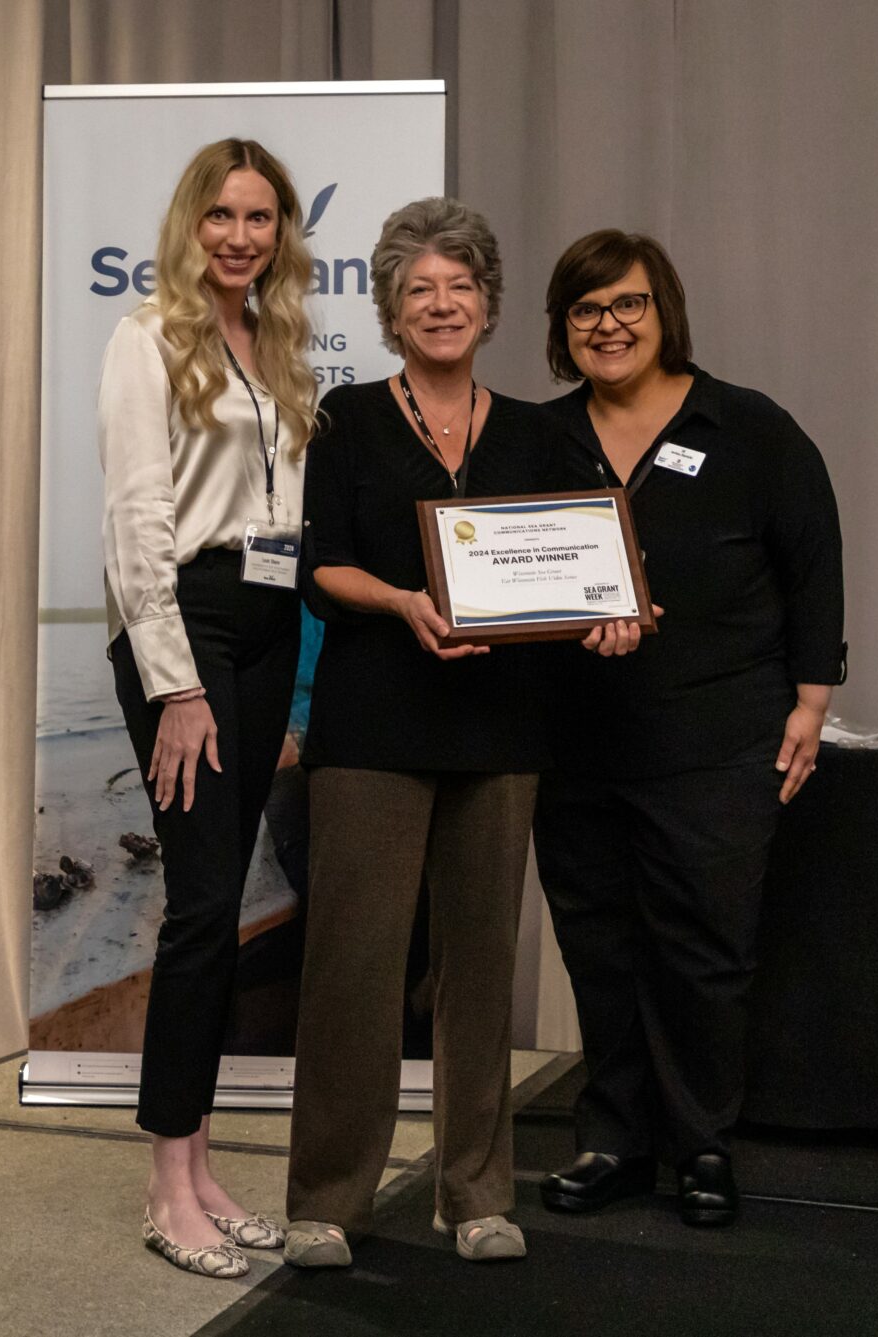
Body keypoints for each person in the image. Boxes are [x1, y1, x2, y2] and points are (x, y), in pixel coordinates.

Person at [282, 198, 644, 1269]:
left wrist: (616, 613)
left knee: (482, 969)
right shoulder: (346, 418)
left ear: (487, 305)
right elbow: (319, 565)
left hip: (500, 732)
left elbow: (591, 567)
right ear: (393, 312)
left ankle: (476, 1192)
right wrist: (401, 601)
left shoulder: (541, 432)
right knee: (353, 969)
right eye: (419, 290)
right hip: (370, 730)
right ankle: (327, 1198)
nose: (442, 305)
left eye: (460, 287)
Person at [531, 230, 845, 1228]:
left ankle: (703, 1142)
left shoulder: (750, 429)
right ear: (562, 330)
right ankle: (615, 1138)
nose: (608, 326)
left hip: (718, 741)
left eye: (626, 305)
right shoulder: (537, 440)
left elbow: (815, 563)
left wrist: (811, 700)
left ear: (664, 311)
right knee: (599, 947)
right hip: (573, 744)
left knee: (704, 951)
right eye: (586, 311)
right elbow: (504, 578)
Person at [98, 138, 319, 1279]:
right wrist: (176, 685)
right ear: (193, 222)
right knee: (197, 909)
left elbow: (289, 519)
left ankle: (197, 1160)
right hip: (192, 624)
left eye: (263, 218)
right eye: (225, 215)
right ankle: (161, 1182)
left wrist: (289, 686)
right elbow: (137, 522)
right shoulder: (147, 341)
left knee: (224, 906)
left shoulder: (276, 344)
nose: (243, 236)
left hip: (270, 625)